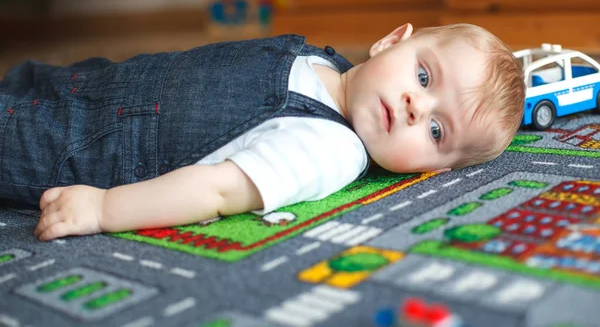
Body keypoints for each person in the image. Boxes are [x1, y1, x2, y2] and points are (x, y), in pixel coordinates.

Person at [0, 23, 524, 240]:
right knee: (23, 79)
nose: (415, 106)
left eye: (436, 129)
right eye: (424, 76)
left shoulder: (330, 148)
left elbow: (218, 190)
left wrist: (104, 209)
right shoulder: (318, 60)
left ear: (431, 170)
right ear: (390, 41)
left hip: (91, 151)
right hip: (107, 82)